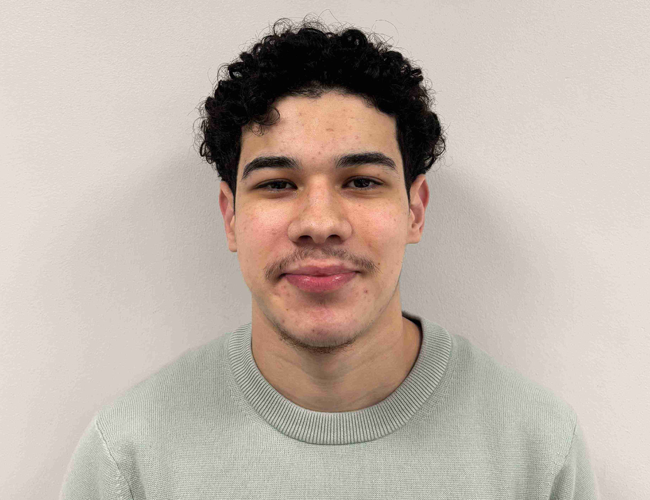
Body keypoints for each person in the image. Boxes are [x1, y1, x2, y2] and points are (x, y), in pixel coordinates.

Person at [60, 17, 599, 499]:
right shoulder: (130, 458)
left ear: (415, 211)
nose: (319, 223)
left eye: (361, 181)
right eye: (278, 183)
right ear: (230, 217)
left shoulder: (538, 450)